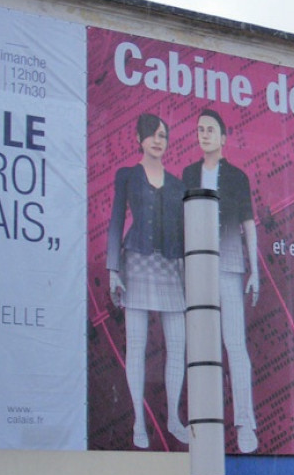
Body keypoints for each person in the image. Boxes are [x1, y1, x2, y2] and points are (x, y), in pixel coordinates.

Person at [181, 109, 261, 453]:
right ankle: (202, 423)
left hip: (228, 266)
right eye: (200, 129)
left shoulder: (237, 177)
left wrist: (253, 269)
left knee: (234, 346)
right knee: (199, 350)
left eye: (210, 129)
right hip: (196, 270)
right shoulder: (187, 174)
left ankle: (245, 423)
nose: (204, 134)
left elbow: (248, 224)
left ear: (224, 137)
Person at [107, 112, 188, 450]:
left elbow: (182, 231)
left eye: (163, 135)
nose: (158, 140)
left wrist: (187, 270)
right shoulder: (126, 176)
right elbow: (114, 222)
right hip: (136, 261)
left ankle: (172, 418)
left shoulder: (179, 184)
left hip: (170, 265)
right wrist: (113, 269)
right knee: (136, 347)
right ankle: (139, 422)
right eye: (153, 134)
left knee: (178, 345)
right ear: (139, 138)